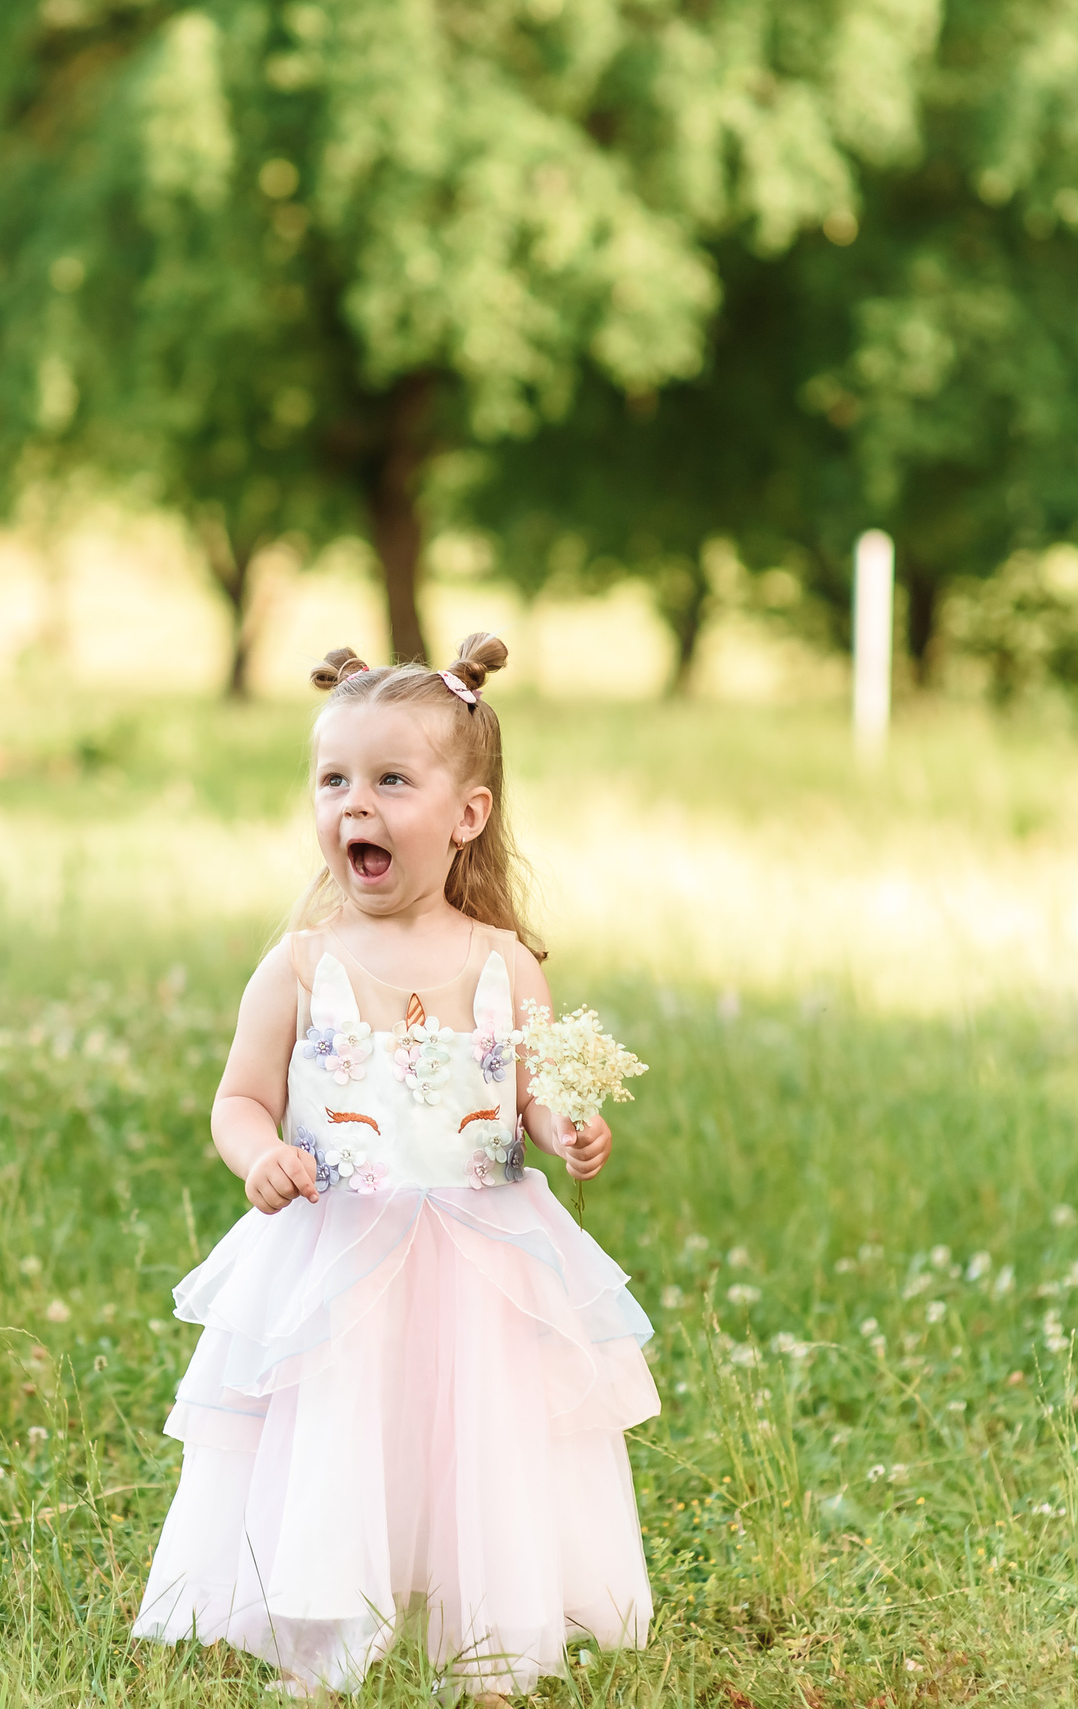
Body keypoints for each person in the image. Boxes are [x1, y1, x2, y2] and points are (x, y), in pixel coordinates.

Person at [132, 634, 659, 1701]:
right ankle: (323, 1647)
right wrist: (260, 1154)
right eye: (332, 780)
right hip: (335, 1248)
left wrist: (567, 1129)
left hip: (478, 1254)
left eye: (388, 781)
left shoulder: (503, 963)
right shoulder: (300, 962)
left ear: (464, 814)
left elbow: (532, 1091)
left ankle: (492, 1644)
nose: (352, 806)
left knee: (484, 1439)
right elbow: (238, 1096)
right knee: (337, 1432)